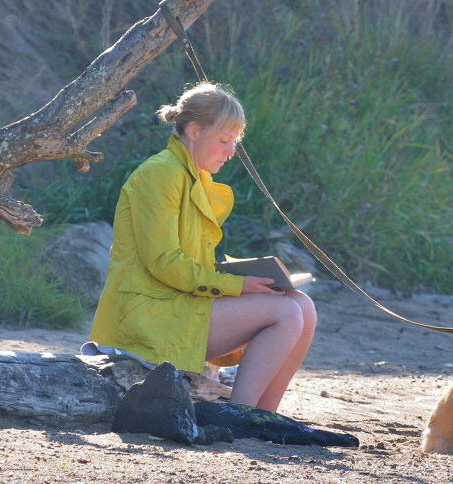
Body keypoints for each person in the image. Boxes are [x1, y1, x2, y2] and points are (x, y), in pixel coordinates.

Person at [89, 81, 316, 412]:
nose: (231, 151)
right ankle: (240, 415)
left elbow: (190, 264)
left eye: (234, 141)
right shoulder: (160, 174)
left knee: (303, 307)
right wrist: (237, 285)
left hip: (179, 304)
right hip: (146, 317)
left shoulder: (194, 176)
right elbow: (165, 263)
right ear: (193, 131)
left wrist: (245, 277)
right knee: (286, 312)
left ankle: (267, 417)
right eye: (224, 140)